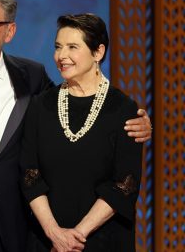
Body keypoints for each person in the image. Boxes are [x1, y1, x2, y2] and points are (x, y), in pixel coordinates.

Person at [0, 0, 151, 252]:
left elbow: (78, 104)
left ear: (10, 31)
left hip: (13, 225)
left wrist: (141, 121)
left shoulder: (31, 76)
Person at [20, 13, 143, 252]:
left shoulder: (124, 109)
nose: (61, 56)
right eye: (58, 47)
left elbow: (124, 184)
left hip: (103, 240)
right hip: (47, 240)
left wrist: (75, 237)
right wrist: (54, 233)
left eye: (72, 47)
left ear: (98, 52)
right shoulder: (40, 106)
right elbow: (29, 174)